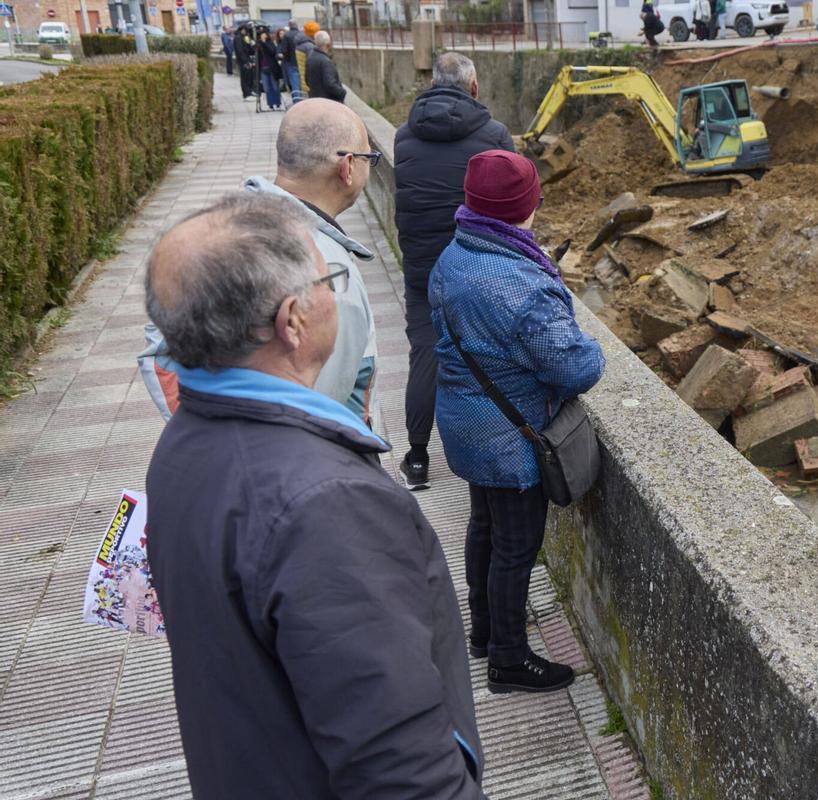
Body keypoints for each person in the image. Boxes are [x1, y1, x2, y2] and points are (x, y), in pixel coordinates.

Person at [144, 193, 485, 799]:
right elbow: (403, 769)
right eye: (329, 280)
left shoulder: (186, 441)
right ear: (293, 321)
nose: (336, 293)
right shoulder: (326, 504)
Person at [428, 150, 605, 693]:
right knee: (515, 547)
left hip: (464, 421)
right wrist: (594, 345)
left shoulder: (455, 253)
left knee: (484, 526)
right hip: (511, 439)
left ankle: (483, 631)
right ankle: (507, 659)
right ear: (525, 205)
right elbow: (576, 368)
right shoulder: (522, 285)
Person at [138, 99, 380, 428]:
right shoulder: (330, 276)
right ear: (348, 167)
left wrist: (203, 428)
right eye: (370, 158)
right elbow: (331, 407)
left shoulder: (224, 230)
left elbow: (162, 350)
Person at [392, 52, 514, 492]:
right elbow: (512, 201)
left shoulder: (404, 136)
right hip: (477, 261)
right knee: (486, 353)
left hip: (422, 265)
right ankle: (486, 454)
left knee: (426, 353)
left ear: (432, 84)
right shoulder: (495, 134)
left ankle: (418, 459)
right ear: (474, 87)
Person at [306, 30, 346, 103]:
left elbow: (307, 80)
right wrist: (342, 92)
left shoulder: (310, 57)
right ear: (328, 44)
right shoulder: (326, 62)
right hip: (328, 101)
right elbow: (330, 84)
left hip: (315, 99)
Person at [281, 18, 309, 103]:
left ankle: (297, 101)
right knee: (304, 81)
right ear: (297, 25)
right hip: (302, 61)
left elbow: (284, 50)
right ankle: (306, 99)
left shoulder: (286, 35)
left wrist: (286, 59)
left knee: (295, 83)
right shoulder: (302, 34)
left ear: (289, 26)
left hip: (291, 62)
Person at [256, 27, 282, 110]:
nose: (263, 36)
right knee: (267, 88)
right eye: (261, 34)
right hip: (263, 68)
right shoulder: (258, 44)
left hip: (271, 68)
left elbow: (272, 51)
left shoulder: (269, 43)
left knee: (275, 86)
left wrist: (264, 43)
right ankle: (270, 104)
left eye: (264, 34)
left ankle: (277, 103)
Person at [233, 22, 255, 99]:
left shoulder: (244, 37)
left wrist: (250, 44)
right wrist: (246, 61)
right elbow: (240, 51)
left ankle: (250, 91)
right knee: (245, 77)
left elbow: (249, 49)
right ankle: (246, 94)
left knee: (249, 77)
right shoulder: (238, 38)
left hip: (247, 59)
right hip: (243, 61)